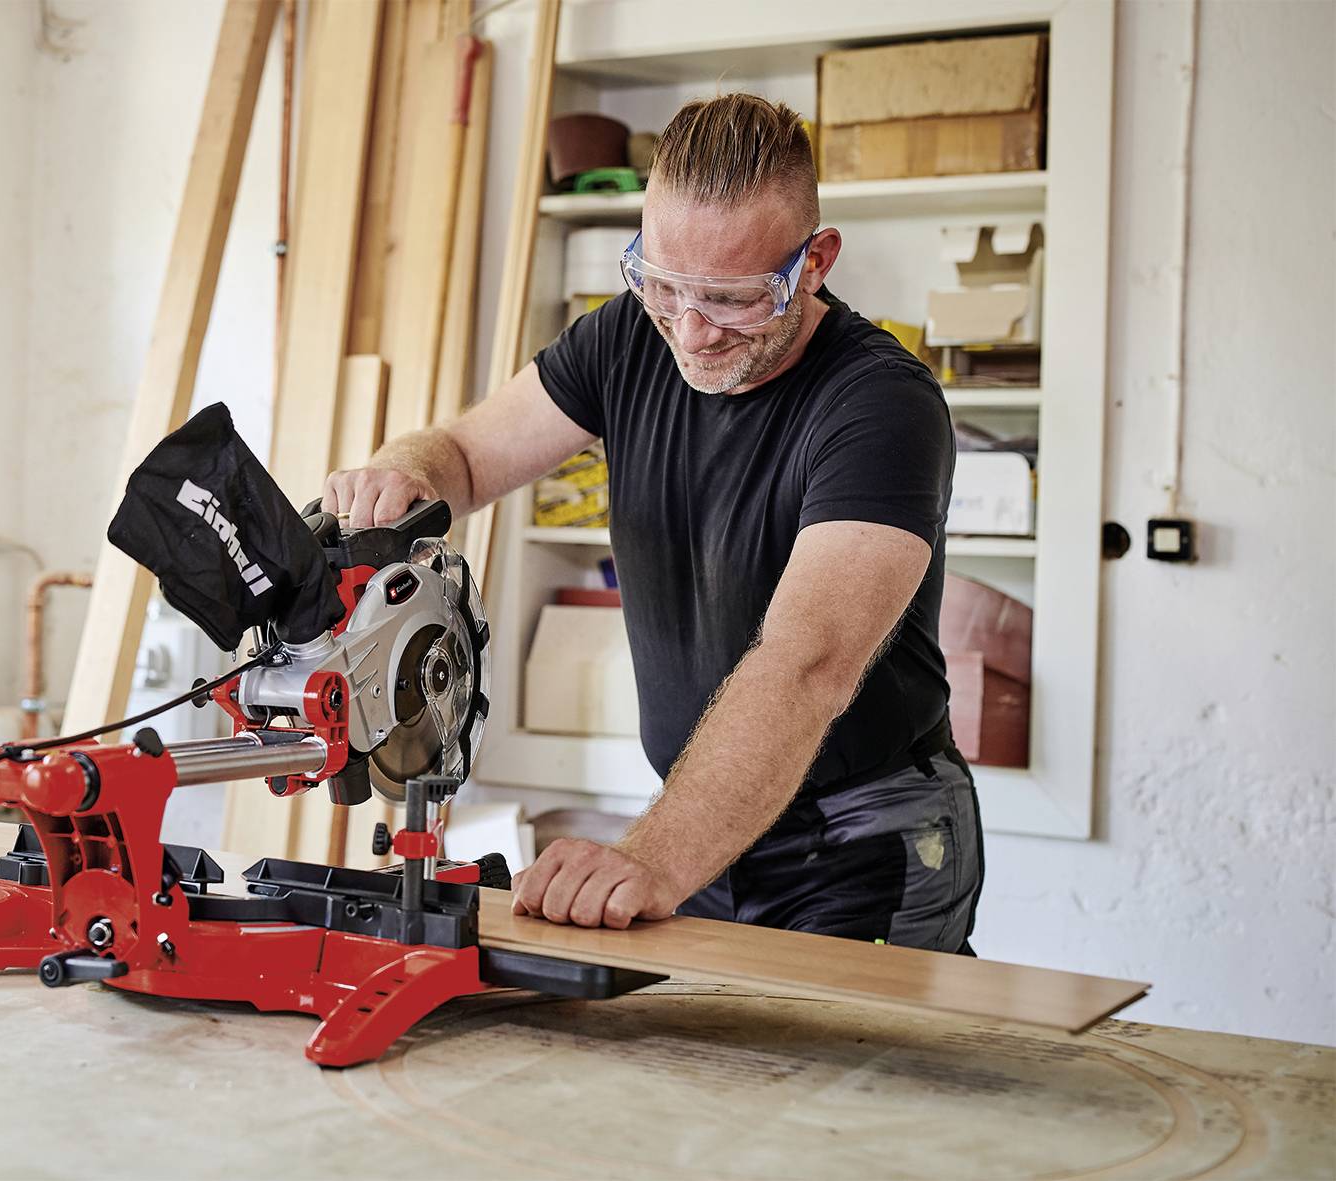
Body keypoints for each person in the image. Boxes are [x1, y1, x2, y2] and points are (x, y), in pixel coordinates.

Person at [320, 93, 982, 952]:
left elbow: (807, 662)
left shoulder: (881, 405)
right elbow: (466, 455)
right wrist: (408, 471)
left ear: (815, 261)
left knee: (839, 1084)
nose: (692, 330)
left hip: (863, 839)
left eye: (735, 297)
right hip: (707, 821)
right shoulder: (629, 337)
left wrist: (654, 859)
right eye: (663, 284)